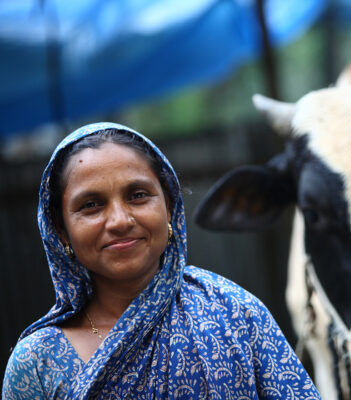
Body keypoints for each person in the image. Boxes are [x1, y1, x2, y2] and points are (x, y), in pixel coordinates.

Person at [3, 122, 321, 399]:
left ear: (169, 206)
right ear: (61, 230)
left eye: (138, 195)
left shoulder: (235, 313)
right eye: (91, 205)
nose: (119, 220)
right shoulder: (36, 363)